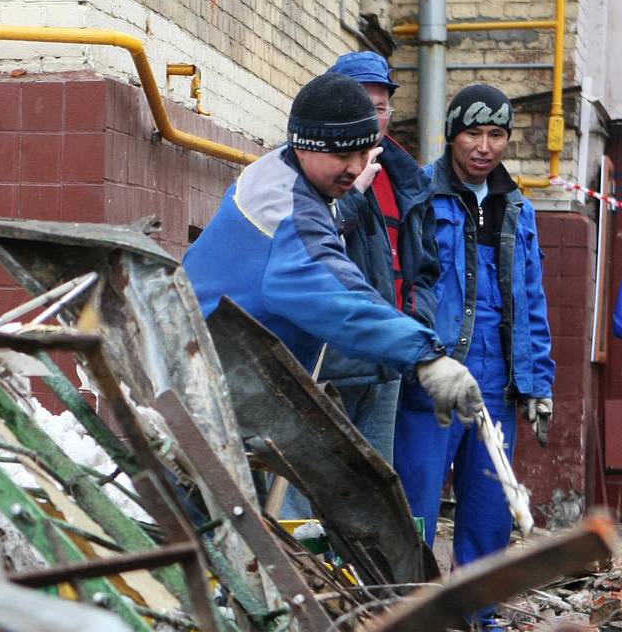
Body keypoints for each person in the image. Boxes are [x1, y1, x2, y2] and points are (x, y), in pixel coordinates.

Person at [182, 72, 482, 462]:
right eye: (343, 155)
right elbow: (337, 295)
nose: (358, 168)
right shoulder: (288, 210)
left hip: (220, 381)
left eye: (365, 152)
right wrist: (425, 355)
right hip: (210, 392)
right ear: (305, 147)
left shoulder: (281, 173)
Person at [394, 84, 555, 632]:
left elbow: (531, 299)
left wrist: (537, 381)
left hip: (497, 383)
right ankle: (404, 620)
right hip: (435, 379)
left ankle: (477, 624)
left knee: (489, 511)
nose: (484, 147)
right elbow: (405, 286)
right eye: (473, 133)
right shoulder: (422, 195)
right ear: (451, 134)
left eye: (496, 135)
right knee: (413, 500)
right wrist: (419, 357)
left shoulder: (518, 208)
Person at [320, 51, 441, 463]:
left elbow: (424, 269)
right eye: (360, 107)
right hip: (329, 361)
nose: (373, 120)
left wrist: (414, 326)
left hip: (386, 360)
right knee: (312, 491)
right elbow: (309, 242)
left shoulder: (406, 177)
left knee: (374, 483)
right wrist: (354, 192)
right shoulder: (312, 165)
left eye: (380, 108)